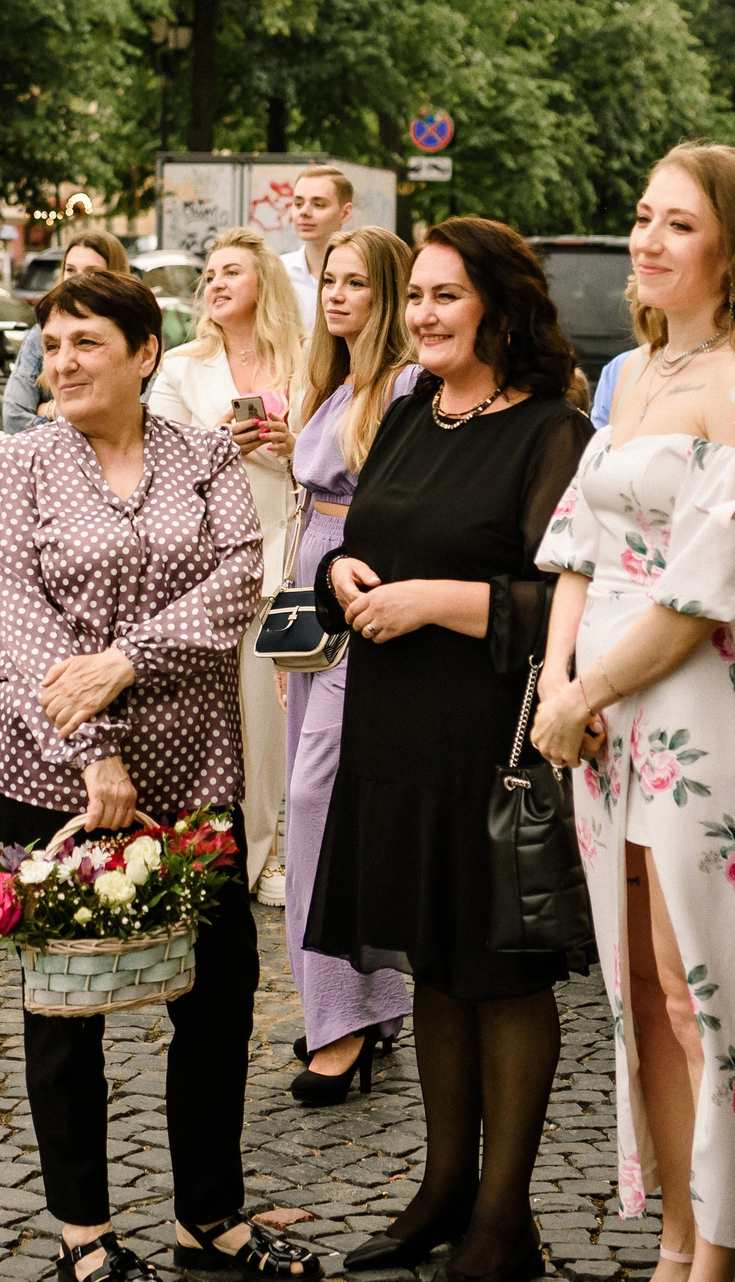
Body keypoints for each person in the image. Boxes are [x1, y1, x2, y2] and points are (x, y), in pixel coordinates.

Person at [0, 266, 304, 1282]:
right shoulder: (16, 464)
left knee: (218, 991)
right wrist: (95, 753)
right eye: (53, 345)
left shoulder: (204, 455)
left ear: (144, 353)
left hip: (196, 765)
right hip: (55, 770)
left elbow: (237, 580)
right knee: (63, 1007)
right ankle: (84, 1234)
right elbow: (22, 633)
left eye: (86, 343)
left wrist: (123, 658)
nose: (62, 362)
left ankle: (210, 1216)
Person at [527, 146, 735, 1282]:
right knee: (632, 987)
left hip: (687, 709)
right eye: (641, 215)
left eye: (675, 224)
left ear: (731, 245)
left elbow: (707, 589)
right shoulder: (637, 375)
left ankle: (717, 1253)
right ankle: (672, 1237)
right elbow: (577, 552)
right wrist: (558, 685)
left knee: (702, 988)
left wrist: (585, 690)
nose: (645, 239)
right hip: (594, 720)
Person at [309, 218, 594, 1282]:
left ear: (498, 308)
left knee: (502, 971)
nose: (421, 313)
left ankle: (502, 1218)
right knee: (433, 957)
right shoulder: (406, 412)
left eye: (444, 296)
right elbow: (362, 537)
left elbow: (568, 595)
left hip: (488, 736)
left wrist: (440, 601)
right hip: (393, 728)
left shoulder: (552, 431)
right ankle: (440, 1188)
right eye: (415, 295)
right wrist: (346, 574)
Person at [280, 225, 418, 1106]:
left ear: (389, 293)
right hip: (310, 600)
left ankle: (339, 1023)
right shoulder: (335, 382)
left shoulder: (403, 384)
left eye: (357, 282)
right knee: (326, 799)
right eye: (330, 279)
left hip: (362, 593)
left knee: (316, 803)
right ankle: (369, 1003)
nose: (336, 295)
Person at [149, 227, 306, 902]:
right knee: (209, 717)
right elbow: (154, 459)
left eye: (231, 272)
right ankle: (207, 851)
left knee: (270, 724)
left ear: (262, 283)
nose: (214, 283)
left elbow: (338, 457)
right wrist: (219, 439)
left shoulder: (305, 361)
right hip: (205, 560)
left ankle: (265, 855)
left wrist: (290, 442)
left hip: (285, 552)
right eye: (209, 273)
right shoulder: (183, 364)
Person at [6, 232, 129, 433]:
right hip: (49, 461)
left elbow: (123, 419)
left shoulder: (130, 333)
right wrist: (68, 431)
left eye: (91, 272)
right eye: (70, 270)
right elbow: (14, 417)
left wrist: (51, 410)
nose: (77, 280)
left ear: (114, 277)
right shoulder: (41, 334)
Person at [280, 167, 356, 329]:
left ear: (345, 213)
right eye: (298, 203)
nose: (304, 212)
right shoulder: (278, 271)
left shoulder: (364, 273)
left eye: (319, 205)